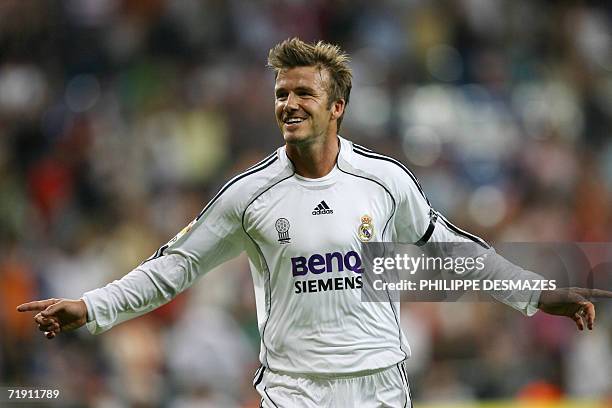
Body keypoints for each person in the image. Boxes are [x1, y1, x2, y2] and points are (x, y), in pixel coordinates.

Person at [17, 38, 612, 407]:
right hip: (294, 391)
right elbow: (172, 269)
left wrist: (539, 294)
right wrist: (92, 308)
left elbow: (455, 253)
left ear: (337, 107)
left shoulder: (385, 182)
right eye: (281, 92)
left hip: (379, 385)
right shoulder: (248, 195)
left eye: (304, 91)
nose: (289, 103)